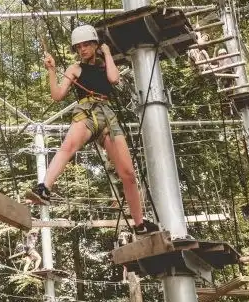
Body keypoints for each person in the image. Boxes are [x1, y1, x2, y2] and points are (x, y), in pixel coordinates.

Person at [30, 25, 158, 235]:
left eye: (87, 45)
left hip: (107, 115)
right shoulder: (75, 69)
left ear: (95, 45)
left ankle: (139, 225)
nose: (82, 50)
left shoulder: (104, 67)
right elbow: (57, 95)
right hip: (87, 111)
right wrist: (52, 71)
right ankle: (44, 188)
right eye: (79, 47)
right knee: (68, 147)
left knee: (128, 174)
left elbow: (114, 79)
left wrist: (107, 53)